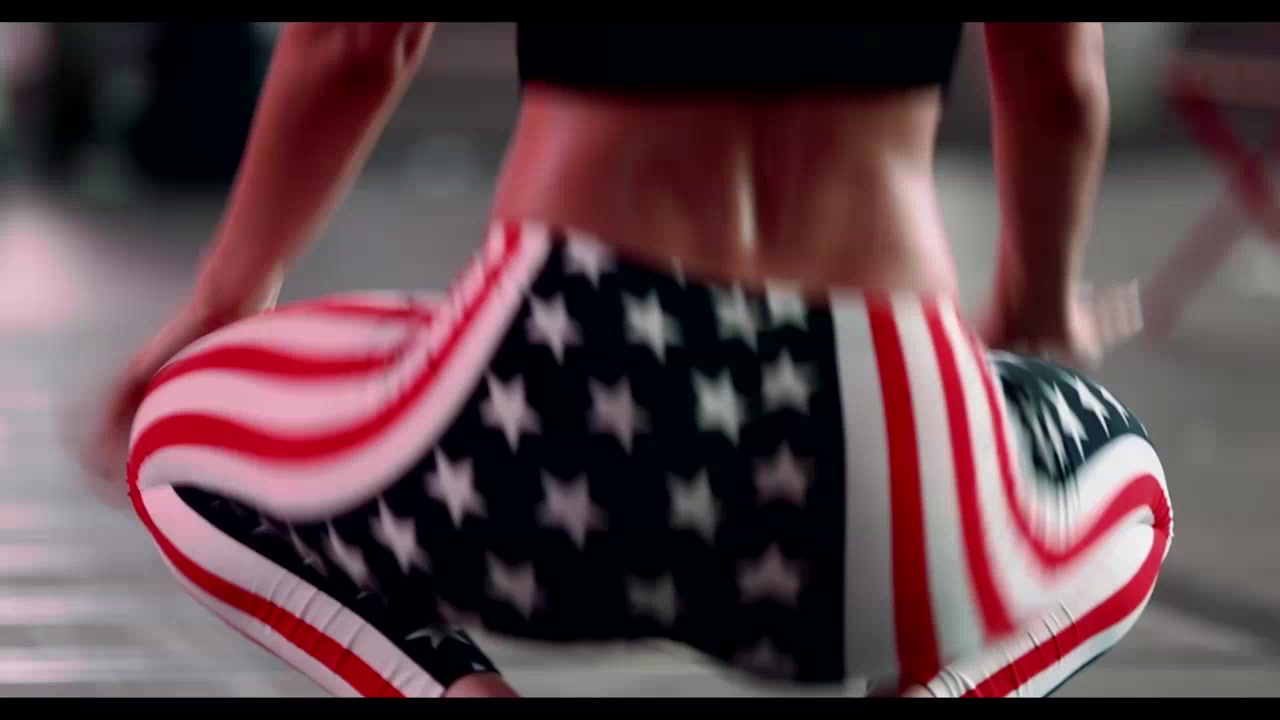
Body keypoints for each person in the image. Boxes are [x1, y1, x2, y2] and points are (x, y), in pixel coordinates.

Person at [83, 22, 1170, 698]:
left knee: (178, 442)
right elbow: (1058, 86)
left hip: (558, 402)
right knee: (1130, 499)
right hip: (870, 463)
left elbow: (358, 44)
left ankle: (452, 695)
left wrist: (221, 303)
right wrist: (1032, 311)